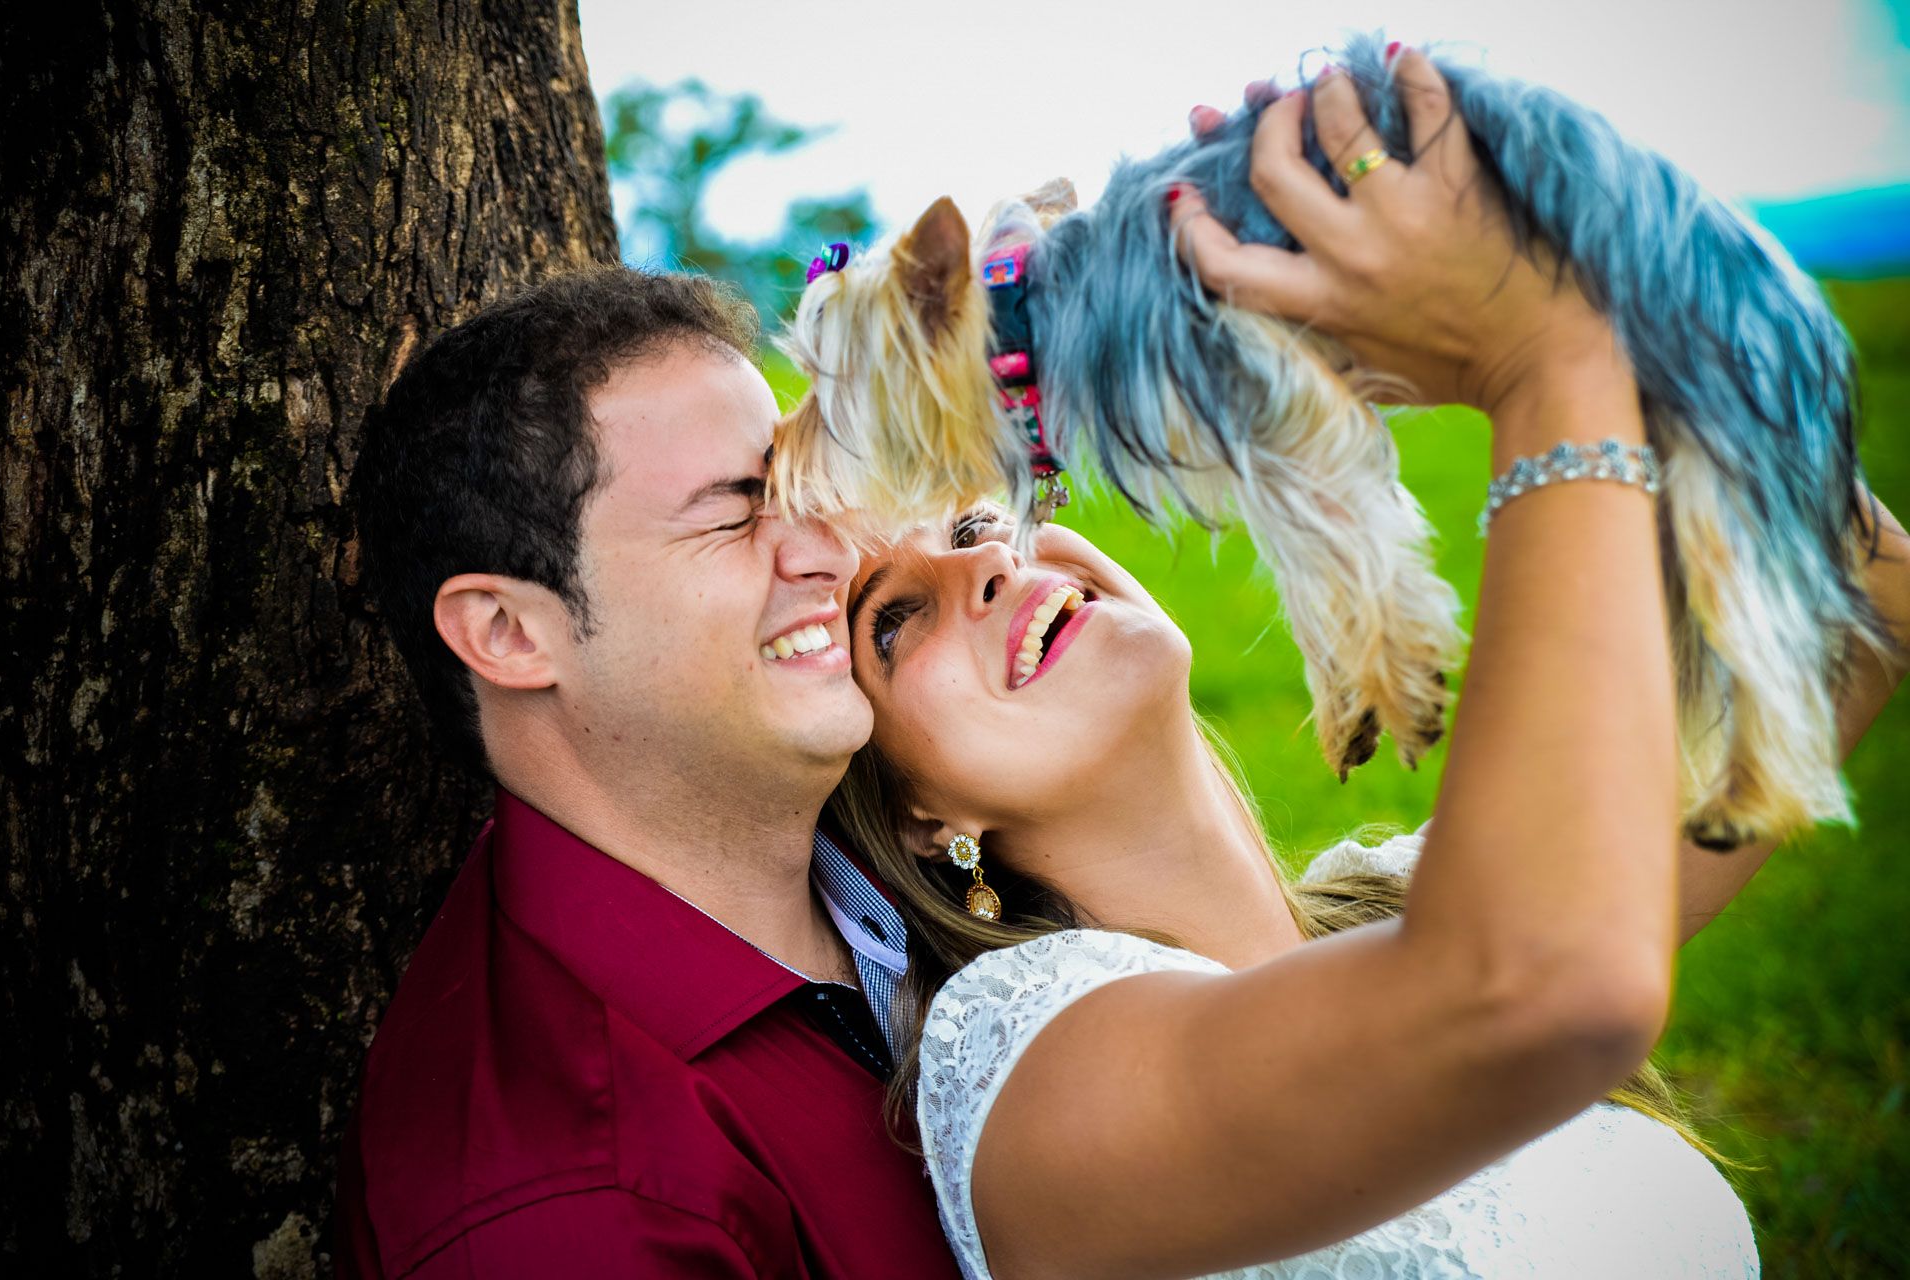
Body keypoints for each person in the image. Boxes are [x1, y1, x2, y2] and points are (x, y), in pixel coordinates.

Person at [824, 55, 1910, 1279]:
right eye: (893, 621)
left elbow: (1863, 608)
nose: (984, 563)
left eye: (977, 521)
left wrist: (1572, 263)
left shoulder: (1408, 904)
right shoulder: (1030, 1088)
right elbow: (1537, 988)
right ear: (916, 818)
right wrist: (1545, 362)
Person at [332, 268, 962, 1276]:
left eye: (796, 488)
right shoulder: (570, 1212)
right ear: (508, 632)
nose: (831, 551)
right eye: (734, 515)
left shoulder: (933, 825)